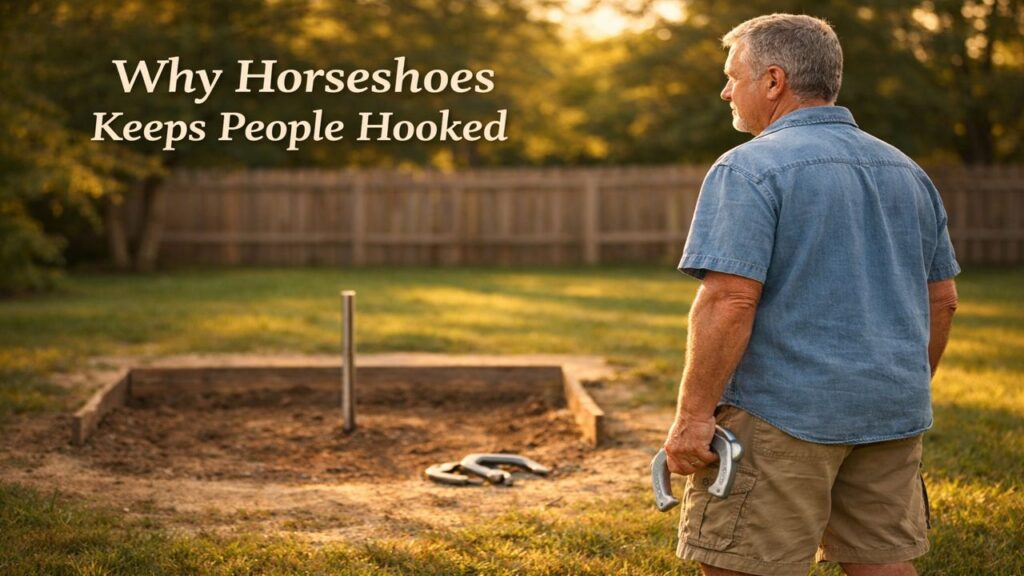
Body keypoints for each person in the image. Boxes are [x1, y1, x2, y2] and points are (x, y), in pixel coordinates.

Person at [663, 13, 960, 576]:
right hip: (891, 410)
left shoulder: (747, 170)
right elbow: (942, 300)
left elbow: (729, 299)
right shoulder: (907, 171)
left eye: (733, 76)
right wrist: (898, 384)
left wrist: (694, 417)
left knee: (739, 564)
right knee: (883, 563)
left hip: (784, 415)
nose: (726, 90)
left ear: (773, 81)